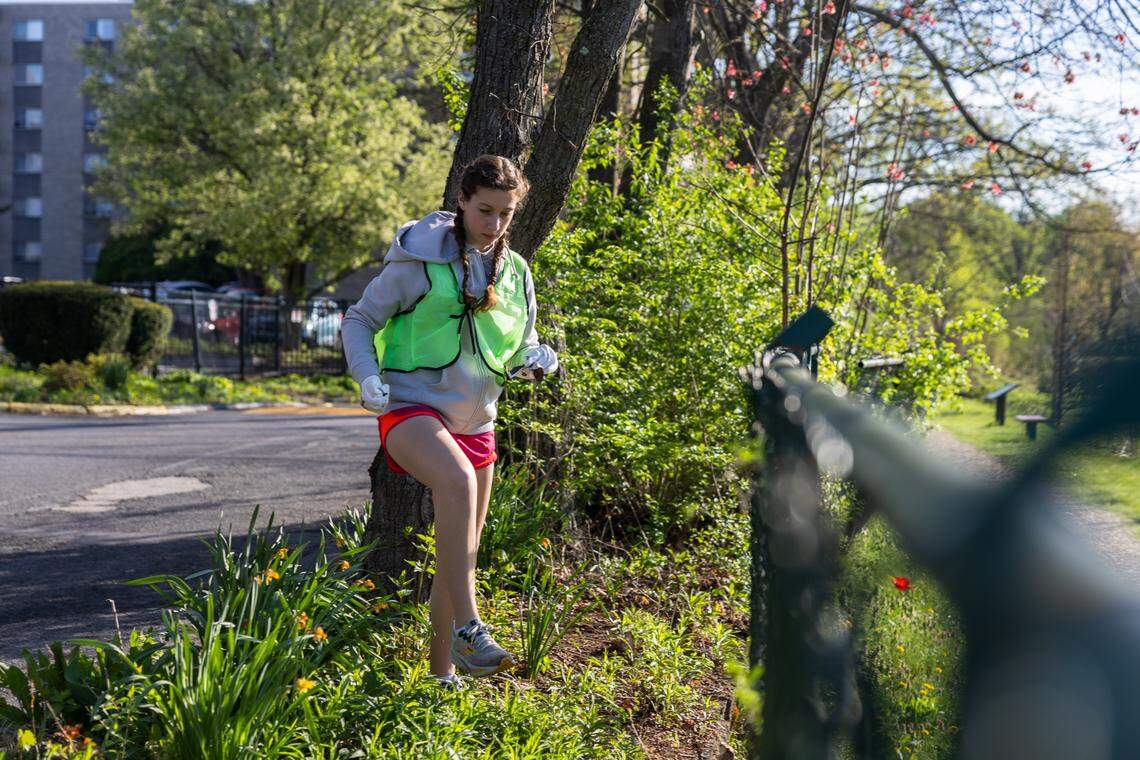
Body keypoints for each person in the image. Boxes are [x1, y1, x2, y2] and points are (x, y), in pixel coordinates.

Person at [341, 154, 559, 688]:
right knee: (456, 480)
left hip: (477, 419)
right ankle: (472, 625)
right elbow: (359, 319)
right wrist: (366, 377)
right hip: (412, 407)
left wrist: (537, 359)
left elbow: (519, 344)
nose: (495, 224)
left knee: (459, 554)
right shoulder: (420, 257)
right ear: (461, 202)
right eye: (485, 210)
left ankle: (442, 677)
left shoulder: (516, 273)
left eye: (506, 213)